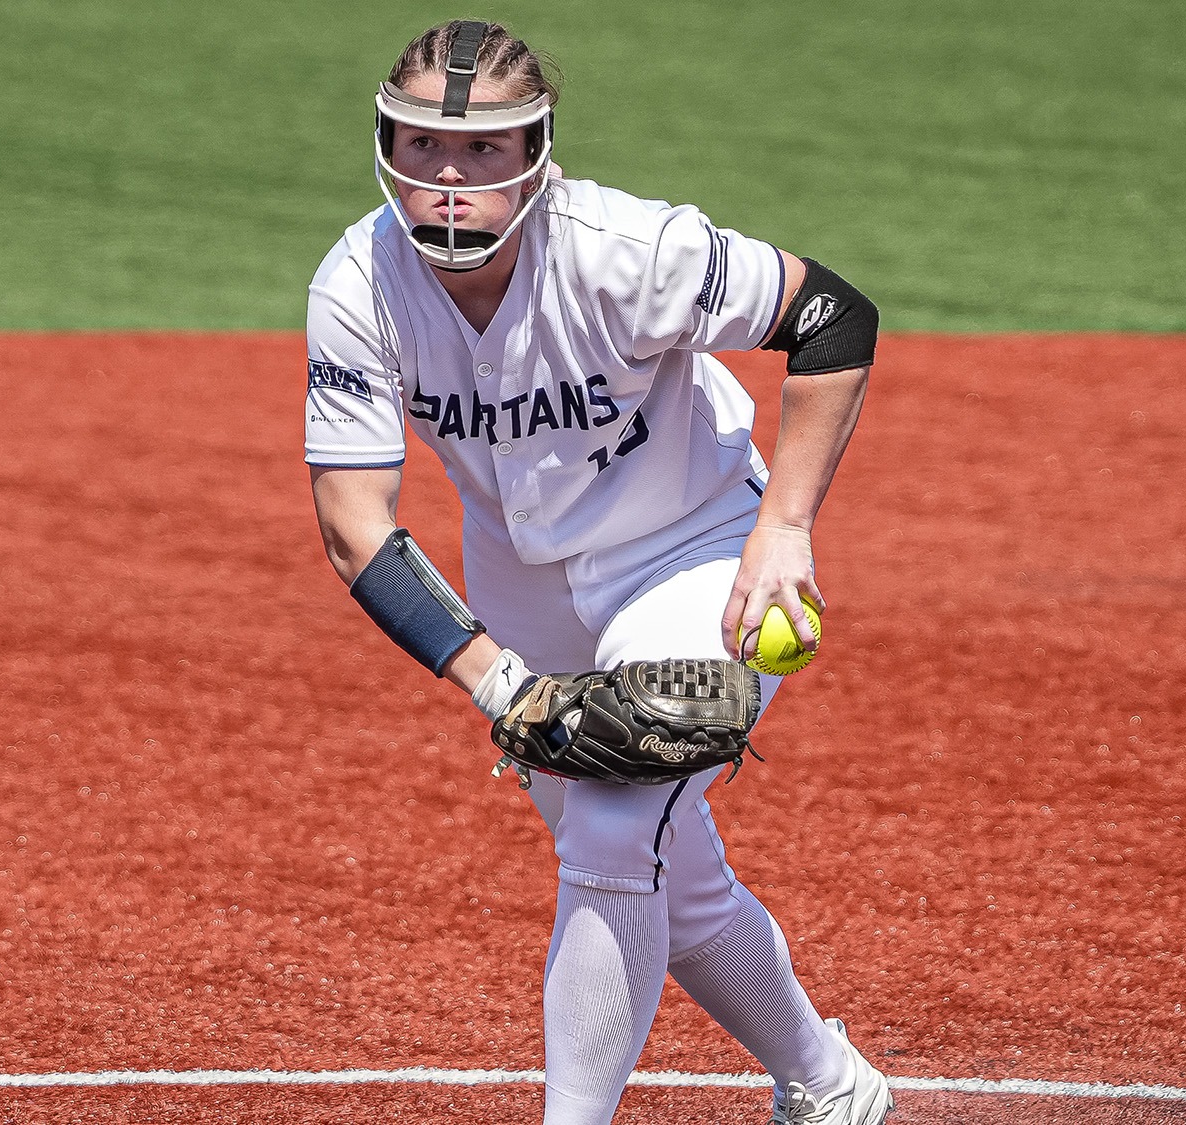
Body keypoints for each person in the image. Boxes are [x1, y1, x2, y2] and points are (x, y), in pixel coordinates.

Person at [305, 20, 887, 1125]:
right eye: (420, 143)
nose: (446, 178)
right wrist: (496, 681)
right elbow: (350, 521)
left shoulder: (626, 248)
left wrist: (784, 526)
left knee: (620, 832)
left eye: (483, 149)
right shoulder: (358, 283)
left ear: (535, 148)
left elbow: (829, 317)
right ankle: (827, 1084)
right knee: (664, 868)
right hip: (520, 588)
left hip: (691, 554)